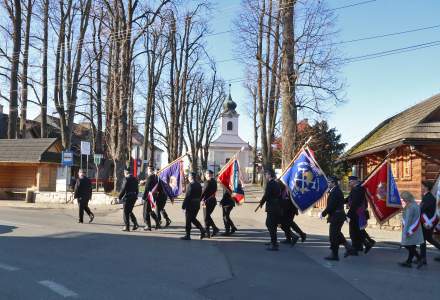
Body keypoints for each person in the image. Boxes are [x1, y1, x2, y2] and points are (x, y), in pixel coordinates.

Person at [321, 176, 354, 261]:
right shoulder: (335, 191)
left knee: (333, 236)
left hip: (336, 216)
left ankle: (335, 255)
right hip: (338, 216)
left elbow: (331, 206)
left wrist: (323, 214)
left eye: (329, 182)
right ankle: (349, 247)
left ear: (333, 183)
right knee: (337, 234)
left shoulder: (335, 192)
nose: (328, 184)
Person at [346, 176, 374, 255]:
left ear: (355, 181)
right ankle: (362, 245)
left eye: (350, 181)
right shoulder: (356, 188)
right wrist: (343, 200)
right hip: (356, 212)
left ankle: (358, 247)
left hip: (357, 213)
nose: (349, 183)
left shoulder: (358, 189)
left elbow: (355, 203)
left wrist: (348, 214)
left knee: (354, 231)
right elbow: (350, 198)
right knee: (357, 231)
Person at [259, 168, 283, 251]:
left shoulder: (270, 184)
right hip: (276, 207)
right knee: (271, 225)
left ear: (269, 175)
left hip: (272, 207)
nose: (265, 175)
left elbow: (267, 195)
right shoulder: (276, 183)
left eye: (266, 174)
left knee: (270, 225)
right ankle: (273, 241)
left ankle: (274, 244)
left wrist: (261, 203)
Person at [399, 191, 424, 268]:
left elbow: (408, 220)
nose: (403, 200)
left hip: (410, 229)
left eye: (403, 198)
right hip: (416, 229)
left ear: (407, 198)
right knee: (412, 246)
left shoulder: (410, 207)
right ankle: (409, 262)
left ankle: (419, 258)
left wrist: (405, 231)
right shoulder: (415, 204)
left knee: (407, 245)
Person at [419, 180, 440, 265]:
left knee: (423, 240)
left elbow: (422, 209)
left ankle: (423, 259)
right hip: (428, 222)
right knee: (428, 239)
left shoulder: (428, 198)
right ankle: (422, 258)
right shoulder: (428, 196)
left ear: (426, 187)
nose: (421, 187)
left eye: (422, 186)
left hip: (427, 222)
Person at [181, 172, 206, 240]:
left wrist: (183, 206)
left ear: (191, 177)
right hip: (197, 204)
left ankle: (188, 235)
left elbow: (187, 196)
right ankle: (202, 230)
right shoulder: (199, 185)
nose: (188, 178)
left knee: (188, 220)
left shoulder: (190, 185)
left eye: (188, 176)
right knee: (193, 219)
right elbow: (201, 194)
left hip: (190, 205)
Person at [277, 179, 299, 246]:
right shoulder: (283, 190)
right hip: (285, 210)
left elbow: (291, 201)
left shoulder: (288, 190)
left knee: (284, 225)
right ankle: (288, 239)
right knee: (285, 225)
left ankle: (294, 236)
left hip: (289, 211)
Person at [118, 168, 140, 232]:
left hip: (128, 197)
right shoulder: (135, 179)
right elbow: (137, 189)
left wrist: (119, 197)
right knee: (129, 211)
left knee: (125, 212)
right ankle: (135, 223)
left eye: (124, 173)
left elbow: (123, 189)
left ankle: (127, 227)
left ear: (125, 173)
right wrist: (136, 195)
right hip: (134, 197)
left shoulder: (126, 179)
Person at [201, 170, 219, 238]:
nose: (206, 175)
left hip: (207, 202)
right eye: (206, 174)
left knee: (206, 217)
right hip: (213, 201)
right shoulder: (214, 181)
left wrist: (199, 200)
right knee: (207, 217)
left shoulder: (207, 182)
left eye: (206, 174)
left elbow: (203, 192)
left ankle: (213, 230)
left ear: (209, 175)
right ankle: (212, 230)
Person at [142, 166, 159, 231]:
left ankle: (148, 225)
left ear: (150, 170)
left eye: (148, 170)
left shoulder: (150, 177)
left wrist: (143, 198)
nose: (147, 171)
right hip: (153, 196)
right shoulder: (155, 177)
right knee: (149, 210)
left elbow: (147, 188)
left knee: (146, 211)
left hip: (149, 196)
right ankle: (157, 222)